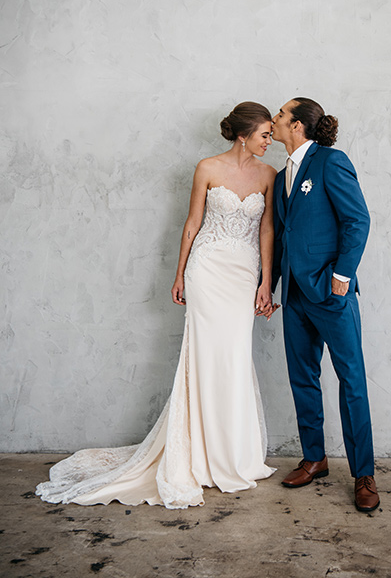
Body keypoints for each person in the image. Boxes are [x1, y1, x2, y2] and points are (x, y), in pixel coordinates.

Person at [36, 102, 277, 509]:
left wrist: (265, 280)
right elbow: (191, 224)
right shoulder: (207, 168)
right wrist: (180, 274)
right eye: (265, 134)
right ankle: (197, 456)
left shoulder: (270, 175)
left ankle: (232, 455)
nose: (271, 140)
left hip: (242, 274)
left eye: (272, 133)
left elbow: (267, 228)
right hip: (207, 270)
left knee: (234, 356)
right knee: (202, 356)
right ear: (243, 135)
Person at [270, 97, 379, 512]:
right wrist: (271, 287)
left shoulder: (331, 162)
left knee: (351, 381)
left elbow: (358, 219)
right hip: (295, 294)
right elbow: (284, 237)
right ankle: (314, 458)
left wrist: (340, 278)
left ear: (297, 126)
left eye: (281, 114)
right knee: (302, 378)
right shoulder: (283, 175)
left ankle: (364, 474)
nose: (275, 118)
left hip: (332, 295)